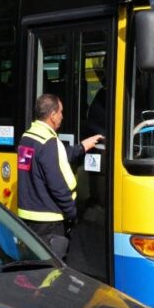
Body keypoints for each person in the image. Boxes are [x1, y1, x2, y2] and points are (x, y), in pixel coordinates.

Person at [16, 94, 103, 247]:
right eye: (61, 112)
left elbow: (50, 160)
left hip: (28, 217)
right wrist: (72, 213)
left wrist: (81, 147)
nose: (62, 116)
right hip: (48, 221)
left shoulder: (28, 137)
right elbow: (59, 186)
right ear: (53, 115)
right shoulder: (49, 142)